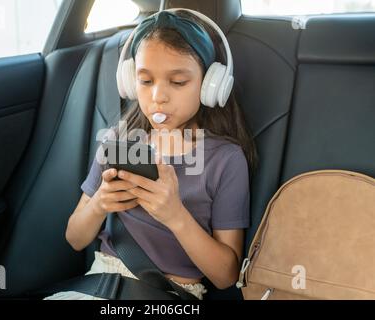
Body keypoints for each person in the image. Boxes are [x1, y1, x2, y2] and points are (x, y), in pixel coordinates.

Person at [45, 8, 257, 300]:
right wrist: (99, 205)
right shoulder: (118, 141)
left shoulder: (225, 160)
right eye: (146, 81)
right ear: (131, 81)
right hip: (100, 283)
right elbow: (75, 238)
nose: (158, 96)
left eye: (178, 82)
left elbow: (225, 276)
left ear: (210, 85)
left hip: (171, 294)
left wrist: (176, 216)